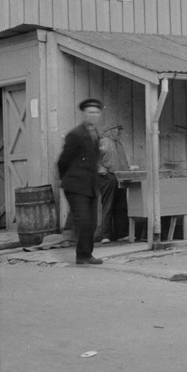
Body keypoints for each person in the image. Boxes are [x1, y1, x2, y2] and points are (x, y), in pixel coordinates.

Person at [57, 98, 104, 265]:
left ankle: (85, 255)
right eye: (90, 112)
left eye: (96, 112)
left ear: (100, 115)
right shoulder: (76, 134)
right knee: (83, 220)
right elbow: (63, 160)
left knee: (91, 222)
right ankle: (83, 255)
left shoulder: (96, 134)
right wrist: (68, 178)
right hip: (75, 185)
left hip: (90, 185)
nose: (93, 115)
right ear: (84, 114)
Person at [96, 125, 130, 243]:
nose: (120, 133)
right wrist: (102, 170)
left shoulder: (118, 144)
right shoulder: (103, 142)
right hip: (108, 177)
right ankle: (106, 235)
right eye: (118, 131)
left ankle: (121, 233)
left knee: (121, 206)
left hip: (120, 177)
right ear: (112, 131)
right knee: (108, 205)